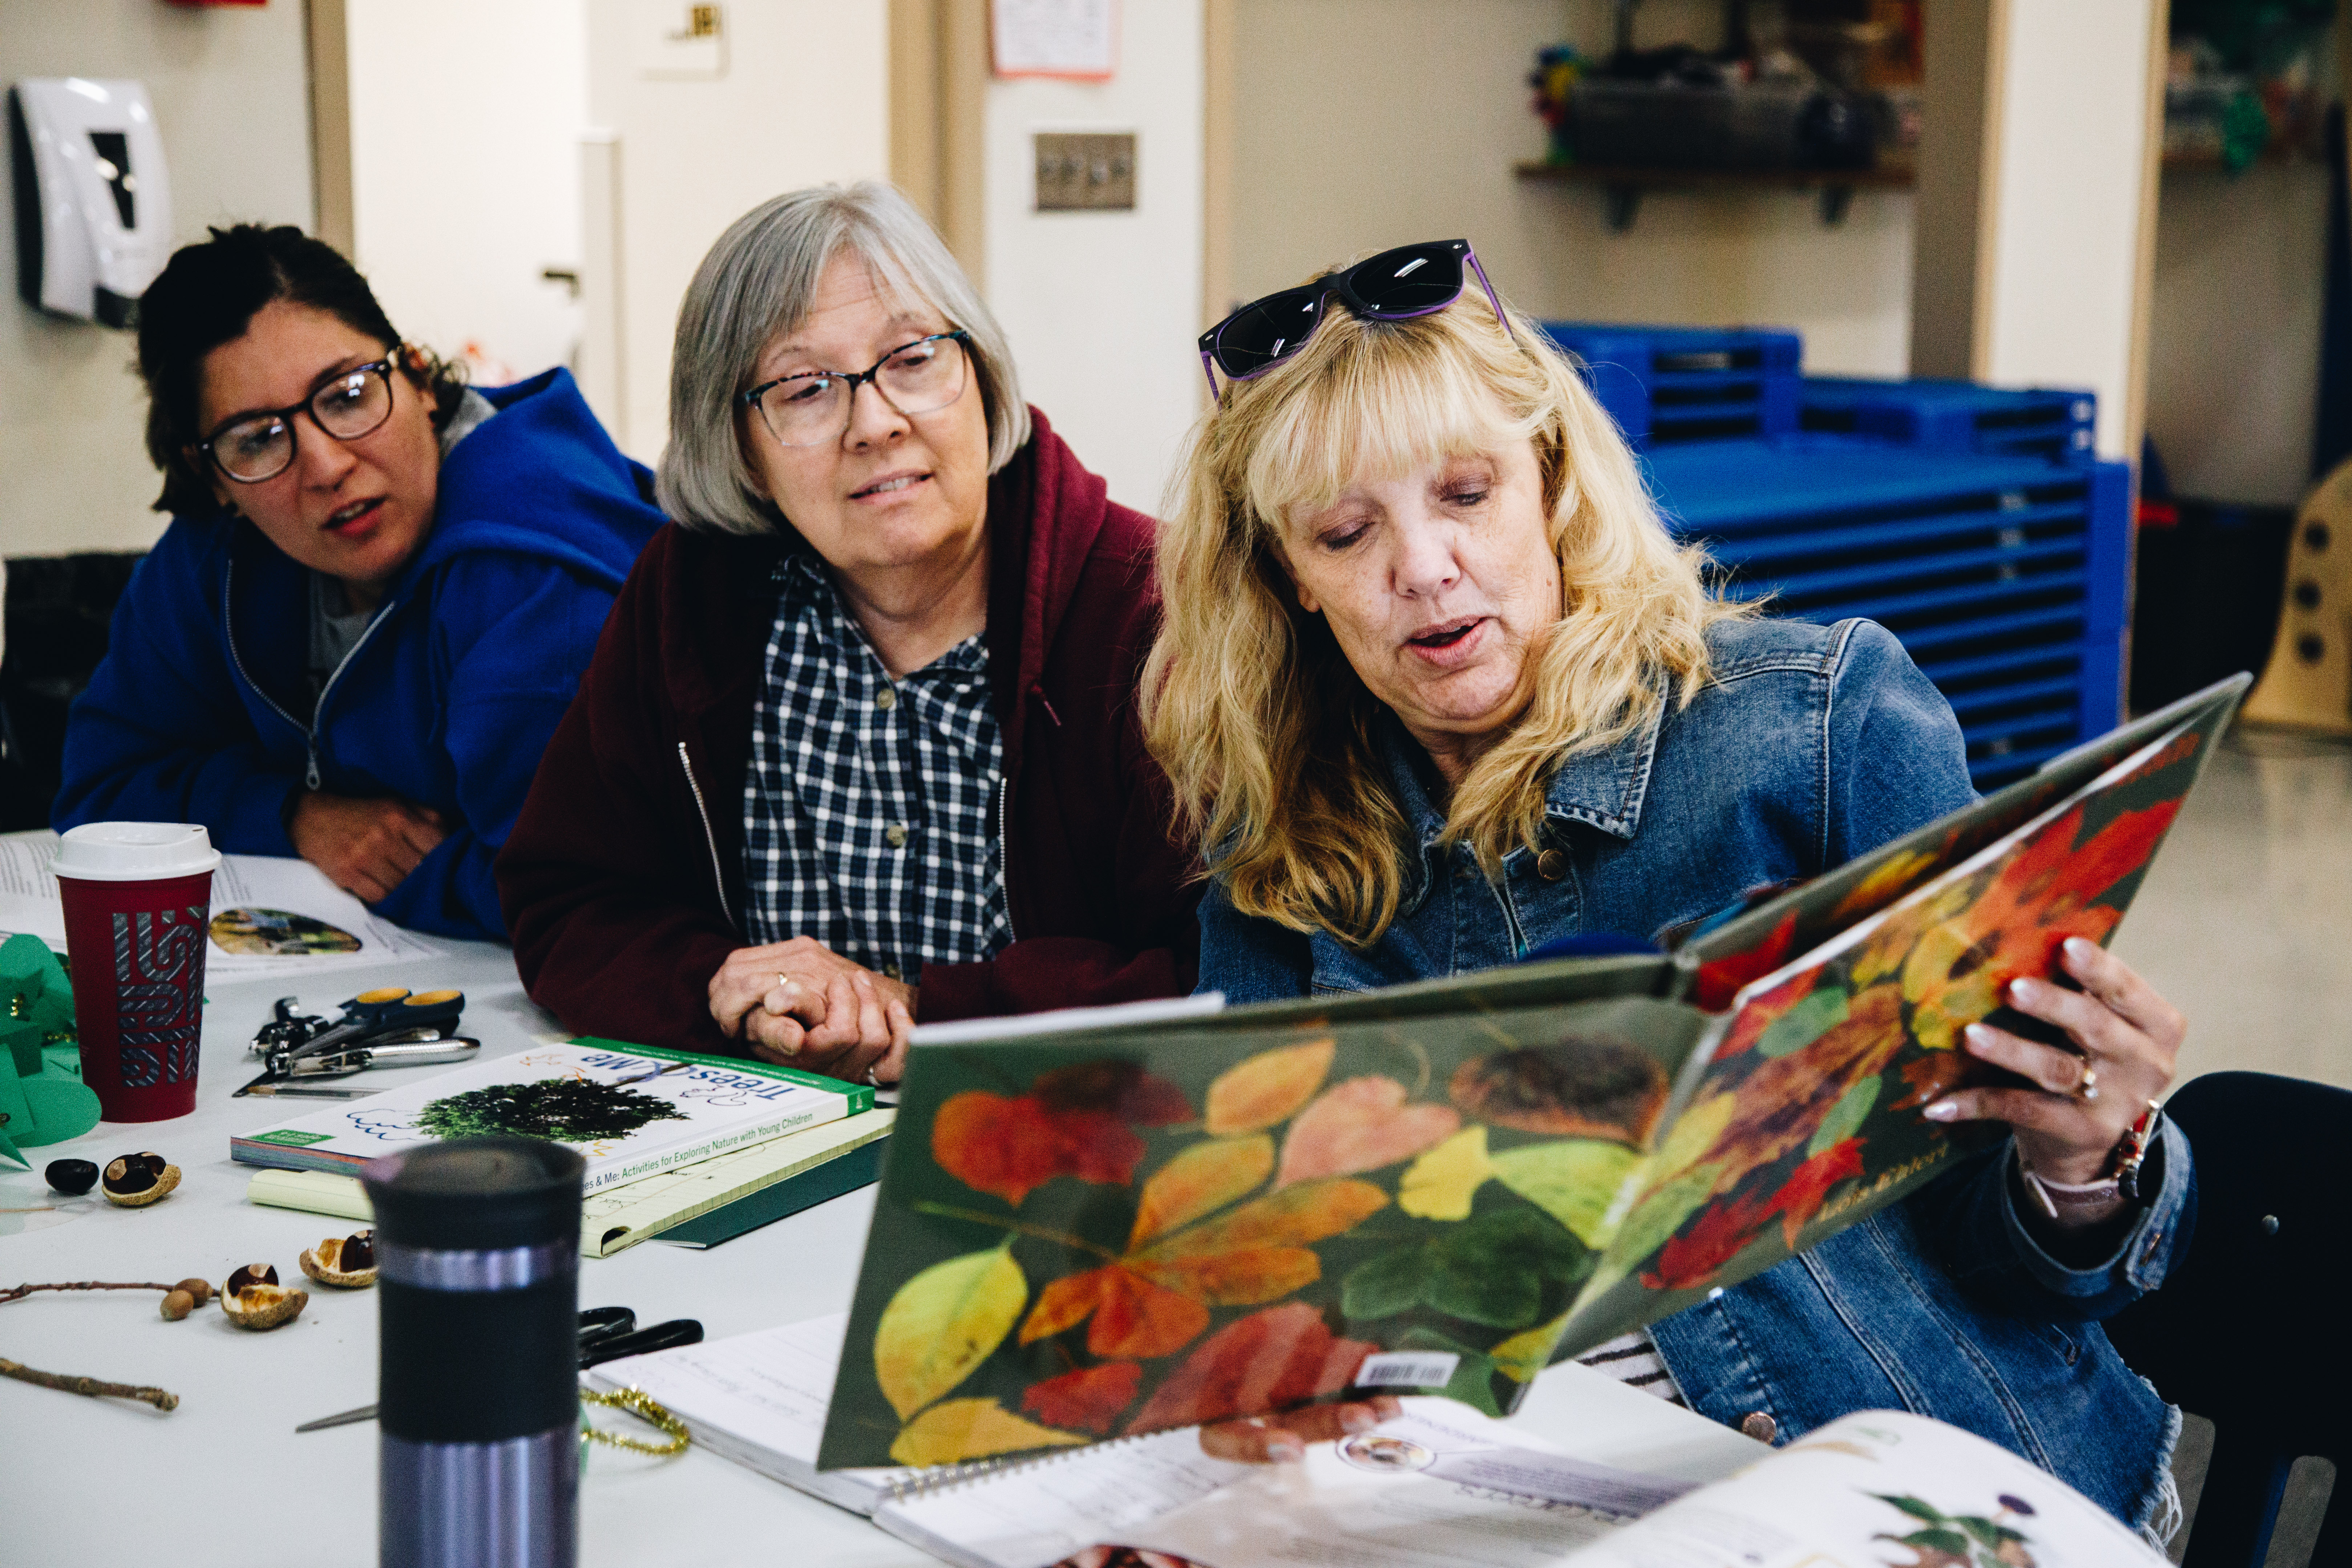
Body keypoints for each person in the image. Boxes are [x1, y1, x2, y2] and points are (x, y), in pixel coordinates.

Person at [1140, 241, 2193, 1535]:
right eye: (1347, 532)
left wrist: (2086, 1157)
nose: (1421, 567)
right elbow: (1255, 1270)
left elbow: (2015, 1247)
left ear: (1554, 486)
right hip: (1519, 1498)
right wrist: (1255, 1352)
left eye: (1467, 492)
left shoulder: (1815, 728)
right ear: (1288, 578)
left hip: (1913, 1471)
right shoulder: (1284, 856)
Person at [496, 182, 1199, 1085]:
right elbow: (569, 899)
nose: (876, 423)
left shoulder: (1154, 612)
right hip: (752, 1148)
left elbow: (1229, 970)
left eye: (913, 359)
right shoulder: (691, 595)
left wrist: (926, 1014)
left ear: (980, 376)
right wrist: (727, 986)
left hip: (1067, 1139)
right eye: (804, 389)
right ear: (739, 446)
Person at [54, 224, 664, 941]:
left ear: (419, 380)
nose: (325, 465)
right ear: (209, 476)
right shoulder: (216, 555)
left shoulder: (527, 575)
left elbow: (586, 896)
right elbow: (101, 800)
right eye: (257, 438)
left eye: (345, 396)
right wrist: (291, 815)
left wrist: (391, 870)